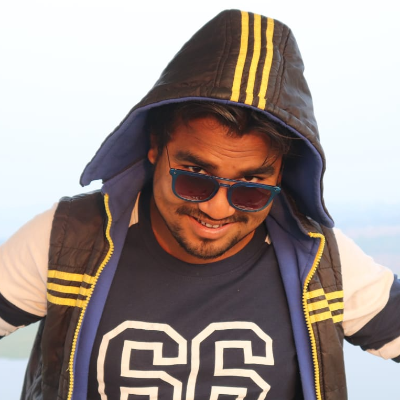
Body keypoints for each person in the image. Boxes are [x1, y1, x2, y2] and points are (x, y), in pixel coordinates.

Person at [0, 9, 399, 400]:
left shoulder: (320, 260)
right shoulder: (69, 240)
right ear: (155, 147)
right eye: (194, 176)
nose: (218, 210)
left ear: (281, 175)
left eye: (251, 187)